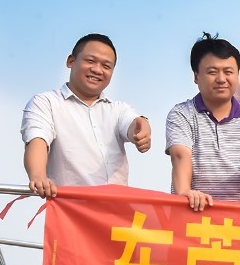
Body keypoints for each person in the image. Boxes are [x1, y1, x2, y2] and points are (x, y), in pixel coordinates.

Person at [23, 33, 151, 197]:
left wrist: (141, 129)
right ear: (71, 61)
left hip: (118, 210)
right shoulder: (46, 103)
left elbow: (133, 123)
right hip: (72, 208)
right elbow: (37, 139)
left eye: (106, 66)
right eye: (90, 61)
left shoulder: (118, 109)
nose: (97, 70)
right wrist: (38, 176)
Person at [165, 35, 240, 210]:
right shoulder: (181, 114)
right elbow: (179, 156)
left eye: (228, 72)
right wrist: (185, 192)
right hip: (193, 211)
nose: (221, 79)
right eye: (212, 72)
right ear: (196, 76)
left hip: (237, 216)